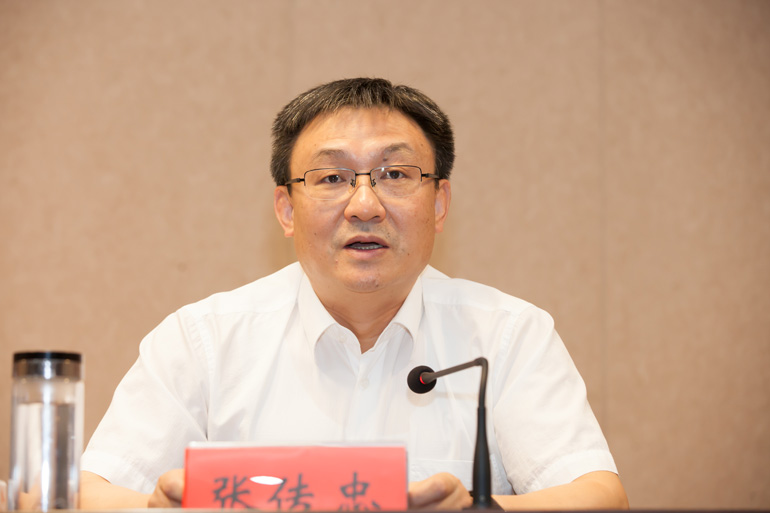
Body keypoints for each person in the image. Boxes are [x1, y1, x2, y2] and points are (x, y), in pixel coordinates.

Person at [80, 78, 628, 510]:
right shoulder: (204, 340)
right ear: (286, 209)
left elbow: (599, 495)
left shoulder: (508, 335)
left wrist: (476, 509)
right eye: (332, 178)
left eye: (395, 174)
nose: (365, 205)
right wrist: (161, 508)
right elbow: (85, 493)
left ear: (439, 204)